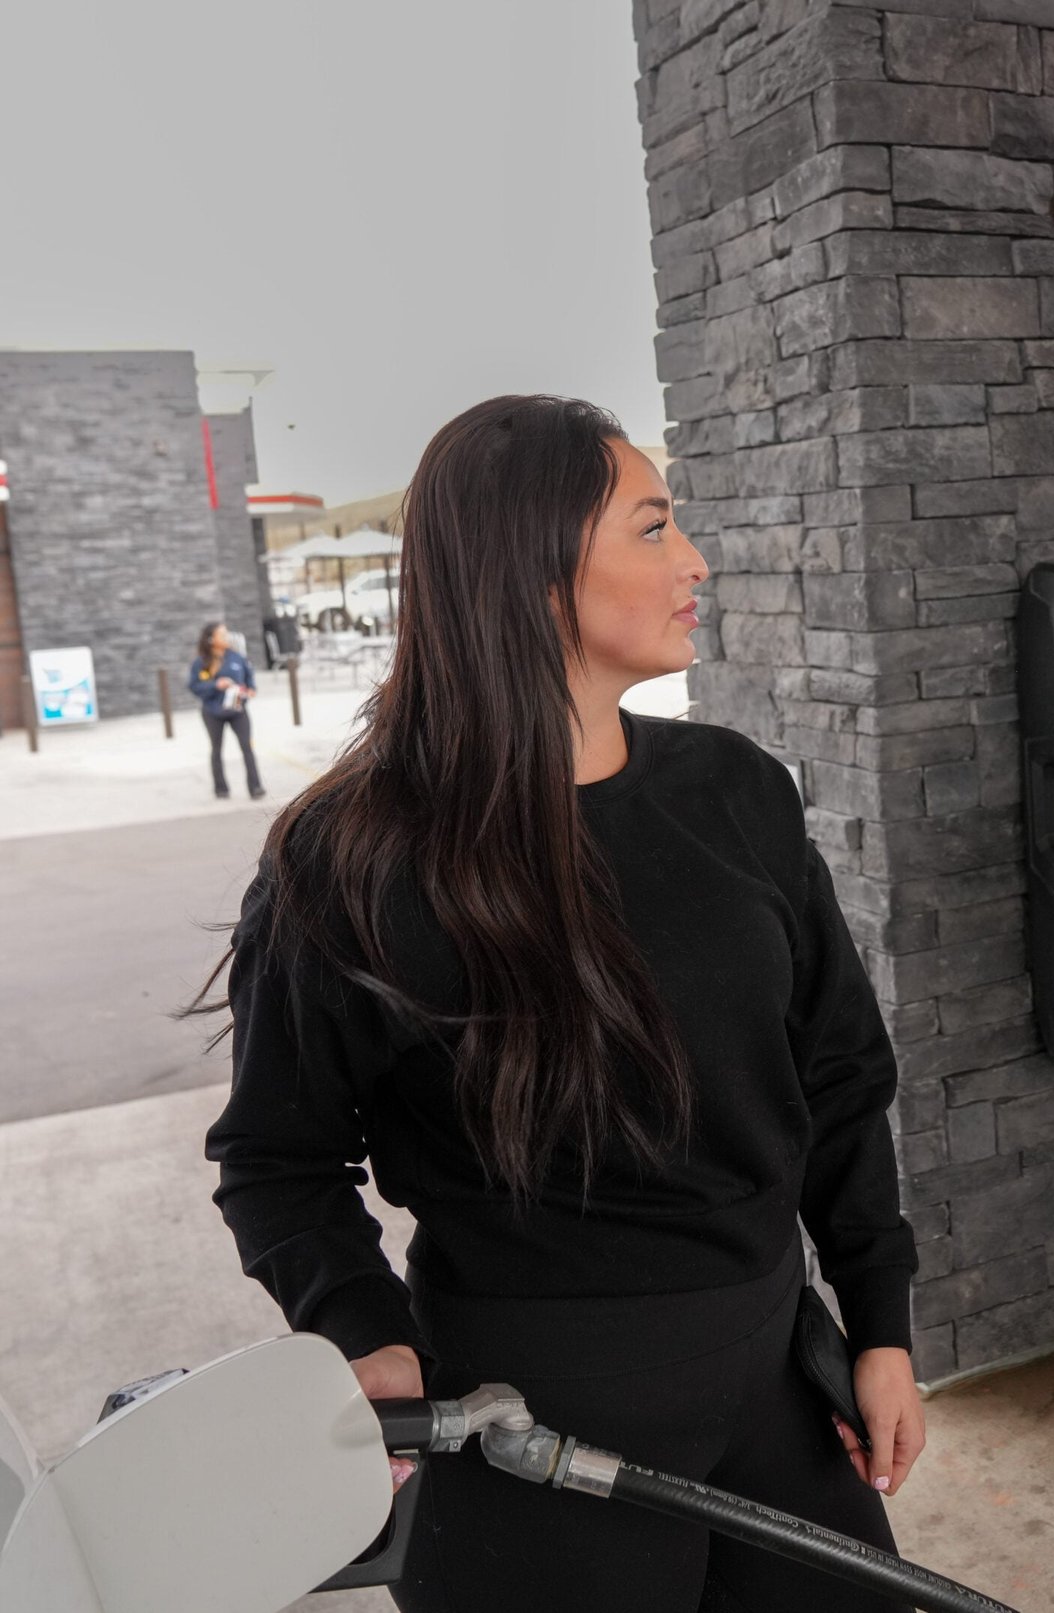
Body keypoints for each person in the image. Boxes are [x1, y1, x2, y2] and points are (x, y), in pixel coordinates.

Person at [196, 396, 922, 1611]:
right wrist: (365, 1328)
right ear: (533, 579)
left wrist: (881, 1318)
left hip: (773, 1376)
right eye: (654, 527)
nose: (695, 560)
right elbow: (276, 1157)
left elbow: (840, 1073)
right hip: (522, 1416)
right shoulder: (354, 862)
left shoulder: (737, 791)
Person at [188, 622, 264, 800]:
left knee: (247, 747)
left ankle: (255, 787)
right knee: (216, 749)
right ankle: (221, 789)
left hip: (238, 711)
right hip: (212, 712)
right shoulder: (201, 662)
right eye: (222, 635)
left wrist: (250, 690)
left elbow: (249, 679)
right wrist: (215, 685)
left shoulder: (237, 657)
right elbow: (194, 686)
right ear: (211, 639)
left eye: (226, 633)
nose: (226, 637)